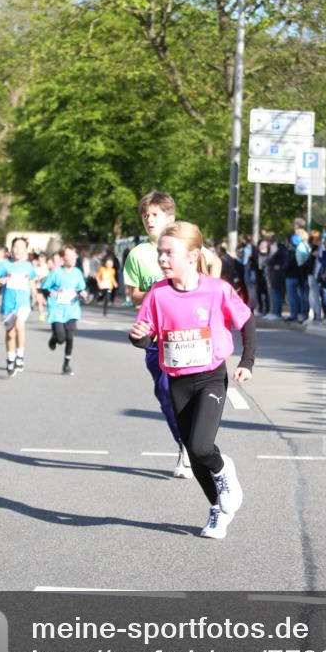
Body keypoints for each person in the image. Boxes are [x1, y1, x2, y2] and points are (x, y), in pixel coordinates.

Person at [129, 221, 255, 540]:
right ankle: (218, 509)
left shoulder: (216, 290)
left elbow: (247, 321)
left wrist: (247, 361)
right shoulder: (157, 294)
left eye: (169, 253)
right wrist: (139, 338)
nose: (162, 259)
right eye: (160, 253)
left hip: (211, 377)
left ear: (193, 255)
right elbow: (146, 336)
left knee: (201, 446)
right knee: (192, 448)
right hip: (177, 380)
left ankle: (224, 471)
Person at [123, 191, 221, 479]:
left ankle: (195, 445)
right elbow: (134, 293)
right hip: (157, 336)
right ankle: (184, 444)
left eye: (154, 214)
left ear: (170, 217)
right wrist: (163, 289)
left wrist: (207, 288)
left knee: (192, 391)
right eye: (145, 215)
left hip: (189, 334)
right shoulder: (138, 254)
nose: (149, 219)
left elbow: (212, 262)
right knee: (166, 394)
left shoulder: (187, 243)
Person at [0, 237, 37, 377]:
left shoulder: (28, 266)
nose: (18, 250)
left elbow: (32, 279)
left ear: (26, 251)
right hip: (8, 304)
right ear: (11, 249)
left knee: (19, 325)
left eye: (21, 247)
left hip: (23, 303)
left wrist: (35, 293)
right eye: (15, 247)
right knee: (10, 333)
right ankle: (10, 358)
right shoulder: (4, 265)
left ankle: (20, 356)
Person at [43, 244, 88, 375]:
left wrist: (83, 293)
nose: (71, 258)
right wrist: (50, 293)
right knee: (61, 337)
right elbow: (45, 287)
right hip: (57, 309)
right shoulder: (56, 272)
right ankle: (54, 339)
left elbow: (81, 288)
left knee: (69, 336)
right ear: (63, 258)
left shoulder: (77, 272)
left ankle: (66, 365)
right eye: (68, 255)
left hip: (71, 309)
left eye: (73, 255)